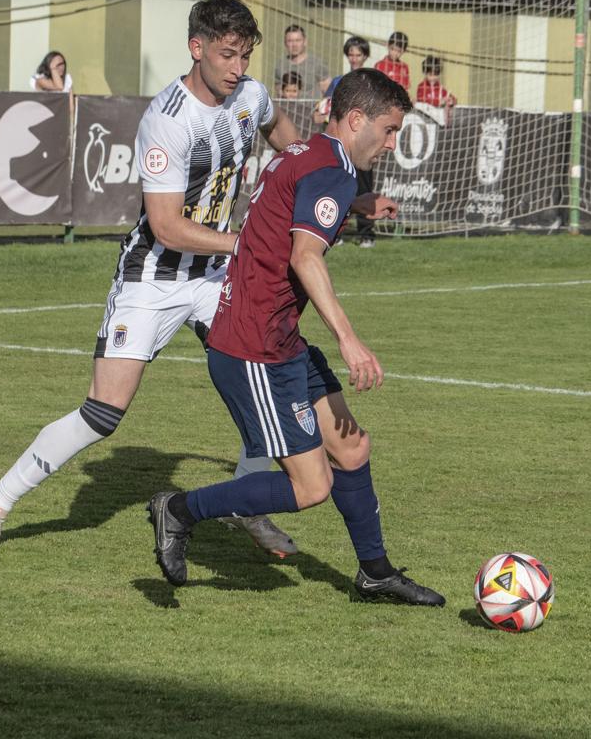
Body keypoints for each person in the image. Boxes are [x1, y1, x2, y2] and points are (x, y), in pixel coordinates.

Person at [0, 0, 301, 560]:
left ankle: (247, 501)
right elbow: (167, 227)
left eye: (245, 56)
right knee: (103, 412)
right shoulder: (167, 120)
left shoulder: (252, 97)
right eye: (226, 55)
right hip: (155, 275)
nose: (238, 68)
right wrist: (252, 243)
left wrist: (336, 190)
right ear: (196, 49)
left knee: (259, 380)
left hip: (217, 273)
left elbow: (290, 149)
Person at [147, 69, 445, 607]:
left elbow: (285, 211)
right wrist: (350, 340)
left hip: (277, 338)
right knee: (311, 488)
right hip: (253, 346)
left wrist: (355, 203)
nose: (394, 143)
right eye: (391, 129)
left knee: (352, 449)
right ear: (356, 120)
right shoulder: (334, 173)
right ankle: (179, 510)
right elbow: (303, 256)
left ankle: (374, 573)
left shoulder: (308, 154)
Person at [315, 36, 375, 248]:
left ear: (365, 56)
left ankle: (367, 234)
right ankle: (335, 232)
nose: (354, 58)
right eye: (351, 54)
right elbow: (325, 108)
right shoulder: (338, 81)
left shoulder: (370, 80)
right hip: (340, 143)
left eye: (358, 54)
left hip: (363, 143)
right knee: (339, 185)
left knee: (364, 187)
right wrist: (320, 113)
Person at [273, 25, 331, 101]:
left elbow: (329, 93)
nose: (294, 45)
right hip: (287, 111)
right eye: (290, 41)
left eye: (298, 40)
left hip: (311, 111)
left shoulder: (317, 64)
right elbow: (279, 94)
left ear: (305, 41)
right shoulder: (280, 66)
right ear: (285, 43)